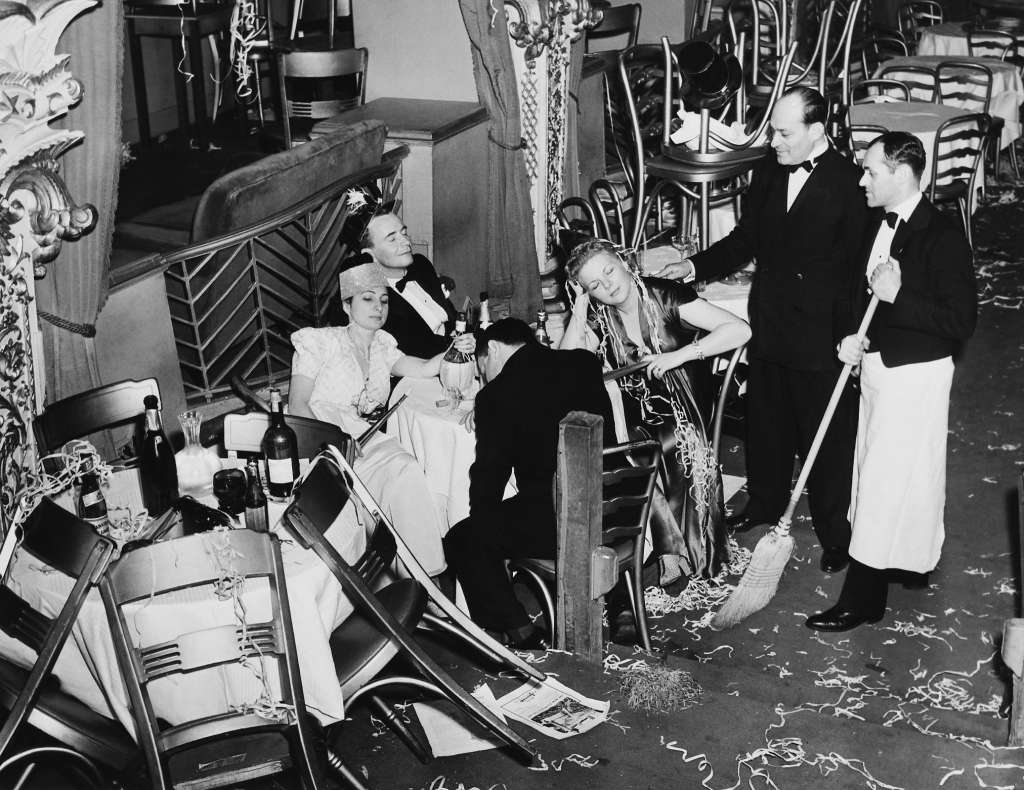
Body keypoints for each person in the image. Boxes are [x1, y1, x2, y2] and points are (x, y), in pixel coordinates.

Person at [653, 86, 868, 575]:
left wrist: (850, 336)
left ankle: (837, 530)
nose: (773, 141)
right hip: (769, 319)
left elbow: (856, 271)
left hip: (821, 331)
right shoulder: (769, 169)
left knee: (827, 434)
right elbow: (746, 239)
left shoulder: (852, 184)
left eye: (784, 132)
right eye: (773, 129)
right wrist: (692, 266)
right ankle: (766, 501)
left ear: (818, 130)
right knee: (767, 422)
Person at [806, 132, 977, 631]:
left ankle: (863, 599)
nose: (861, 179)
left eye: (871, 171)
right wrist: (848, 338)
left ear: (901, 174)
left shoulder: (942, 235)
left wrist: (899, 295)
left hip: (915, 376)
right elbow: (857, 295)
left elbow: (960, 322)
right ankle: (909, 565)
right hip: (878, 368)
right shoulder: (872, 222)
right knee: (886, 475)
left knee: (884, 483)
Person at [560, 240, 751, 586]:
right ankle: (668, 549)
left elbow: (740, 329)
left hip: (686, 402)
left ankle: (682, 549)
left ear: (623, 261)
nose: (609, 286)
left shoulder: (665, 295)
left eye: (609, 272)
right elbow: (565, 364)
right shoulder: (599, 314)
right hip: (637, 409)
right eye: (595, 286)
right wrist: (578, 307)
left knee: (667, 442)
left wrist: (680, 356)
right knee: (624, 451)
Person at [289, 257, 476, 577]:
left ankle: (421, 575)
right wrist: (330, 449)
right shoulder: (318, 342)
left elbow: (421, 368)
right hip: (321, 442)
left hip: (365, 437)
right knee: (403, 470)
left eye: (384, 299)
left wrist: (455, 348)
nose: (378, 307)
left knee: (410, 469)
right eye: (367, 299)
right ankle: (418, 578)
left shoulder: (383, 345)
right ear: (347, 306)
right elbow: (297, 405)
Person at [442, 318, 615, 648]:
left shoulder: (496, 395)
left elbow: (490, 477)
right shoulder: (583, 362)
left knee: (463, 538)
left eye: (481, 369)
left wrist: (484, 523)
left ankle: (518, 630)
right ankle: (618, 606)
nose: (483, 377)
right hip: (615, 506)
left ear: (491, 349)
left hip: (562, 522)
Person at [360, 211, 457, 359]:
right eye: (392, 239)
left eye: (404, 233)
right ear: (369, 254)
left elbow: (450, 315)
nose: (406, 242)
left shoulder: (420, 264)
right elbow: (415, 350)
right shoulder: (374, 300)